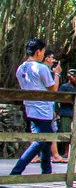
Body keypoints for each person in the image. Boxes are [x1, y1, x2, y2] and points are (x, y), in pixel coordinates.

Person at [10, 39, 61, 176]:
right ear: (38, 52)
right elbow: (53, 88)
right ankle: (16, 171)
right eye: (43, 52)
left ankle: (46, 170)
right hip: (42, 110)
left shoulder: (20, 68)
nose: (43, 55)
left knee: (47, 139)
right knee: (40, 141)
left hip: (30, 108)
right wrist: (57, 74)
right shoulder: (41, 68)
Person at [57, 69, 76, 160]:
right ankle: (66, 152)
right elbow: (58, 99)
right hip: (66, 112)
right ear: (69, 77)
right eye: (74, 77)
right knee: (66, 132)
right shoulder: (63, 87)